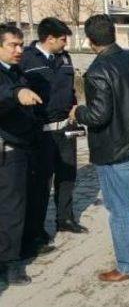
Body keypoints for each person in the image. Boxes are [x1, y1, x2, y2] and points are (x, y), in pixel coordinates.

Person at [69, 15, 129, 282]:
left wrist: (79, 112)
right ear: (114, 33)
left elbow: (98, 115)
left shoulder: (98, 71)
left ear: (89, 41)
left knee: (121, 207)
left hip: (116, 150)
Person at [20, 18, 87, 258]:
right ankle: (35, 232)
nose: (65, 42)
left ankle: (65, 218)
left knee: (68, 174)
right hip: (41, 132)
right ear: (48, 39)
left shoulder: (65, 58)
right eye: (62, 39)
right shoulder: (26, 60)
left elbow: (69, 89)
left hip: (65, 128)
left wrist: (74, 106)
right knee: (40, 183)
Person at [0, 24, 43, 286]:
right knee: (11, 207)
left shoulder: (16, 71)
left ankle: (24, 245)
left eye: (21, 44)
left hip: (24, 144)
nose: (19, 50)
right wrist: (17, 93)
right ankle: (11, 263)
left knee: (19, 203)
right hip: (8, 149)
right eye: (12, 45)